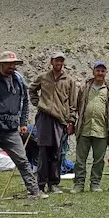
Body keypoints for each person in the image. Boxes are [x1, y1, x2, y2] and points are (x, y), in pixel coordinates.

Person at [0, 51, 44, 201]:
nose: (12, 66)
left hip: (11, 129)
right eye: (9, 64)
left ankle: (34, 190)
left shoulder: (19, 80)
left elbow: (25, 102)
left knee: (22, 160)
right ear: (1, 64)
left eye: (14, 64)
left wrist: (23, 123)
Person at [29, 51, 78, 194]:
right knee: (43, 151)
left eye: (61, 61)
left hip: (60, 120)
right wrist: (37, 103)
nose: (59, 63)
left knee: (56, 153)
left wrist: (71, 120)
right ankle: (41, 184)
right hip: (44, 118)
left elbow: (73, 103)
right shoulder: (43, 77)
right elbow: (32, 89)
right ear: (51, 62)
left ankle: (54, 183)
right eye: (56, 61)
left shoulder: (69, 80)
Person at [73, 61, 109, 193]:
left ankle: (95, 184)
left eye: (103, 71)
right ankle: (79, 184)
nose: (100, 73)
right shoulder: (84, 88)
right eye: (98, 70)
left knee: (98, 160)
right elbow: (78, 104)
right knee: (80, 159)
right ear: (93, 71)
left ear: (106, 73)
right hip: (84, 129)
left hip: (102, 130)